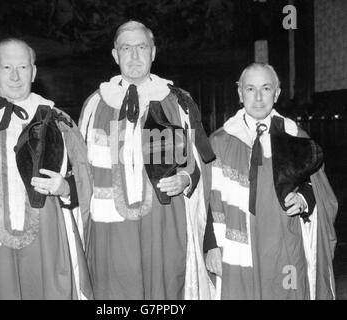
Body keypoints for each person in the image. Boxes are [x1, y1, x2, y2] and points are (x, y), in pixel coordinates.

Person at [79, 20, 220, 300]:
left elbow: (200, 163)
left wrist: (186, 178)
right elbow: (80, 172)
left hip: (165, 224)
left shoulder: (178, 102)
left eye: (141, 47)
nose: (134, 55)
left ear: (153, 52)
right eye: (126, 48)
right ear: (115, 55)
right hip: (110, 230)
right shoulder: (95, 105)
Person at [0, 38, 93, 300]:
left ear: (33, 72)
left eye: (23, 68)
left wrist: (65, 188)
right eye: (6, 68)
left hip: (50, 247)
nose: (15, 76)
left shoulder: (60, 121)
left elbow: (85, 187)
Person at [205, 62, 338, 299]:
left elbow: (317, 188)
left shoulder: (295, 137)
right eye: (250, 89)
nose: (258, 97)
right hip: (234, 247)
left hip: (284, 244)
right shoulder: (218, 142)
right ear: (239, 93)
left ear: (276, 93)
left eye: (266, 89)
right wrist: (211, 245)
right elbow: (204, 200)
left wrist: (303, 200)